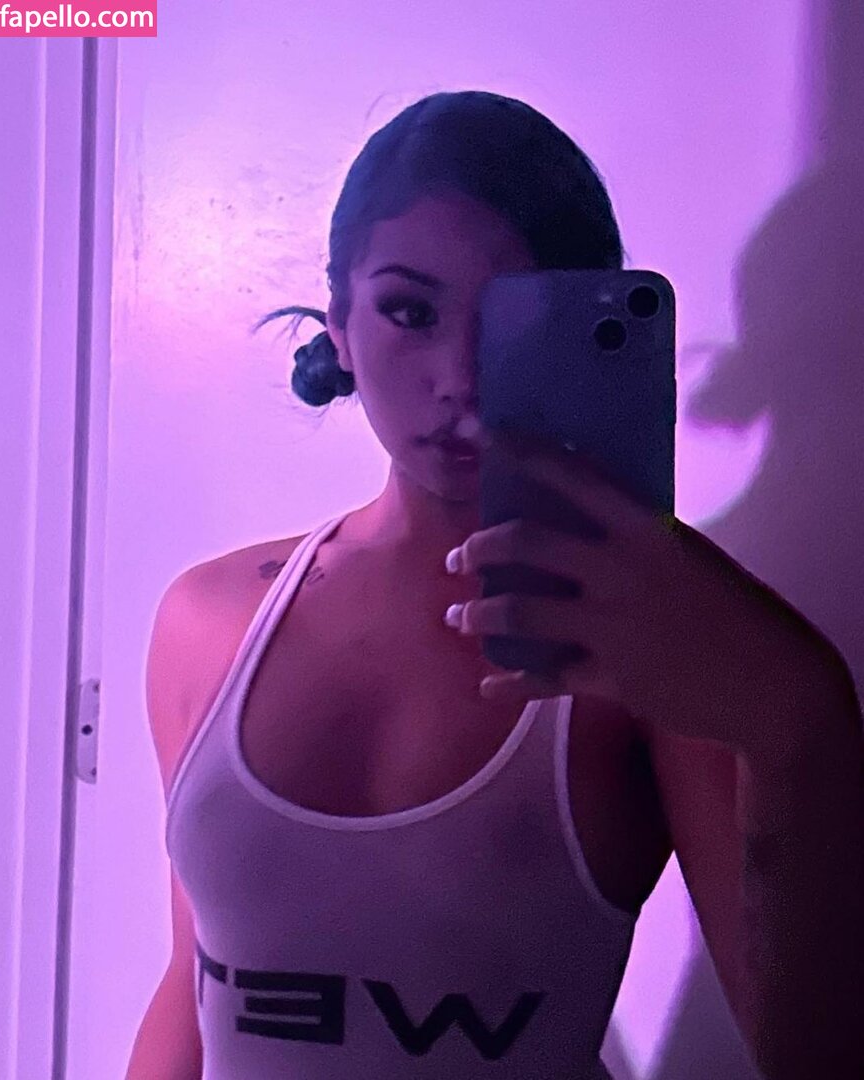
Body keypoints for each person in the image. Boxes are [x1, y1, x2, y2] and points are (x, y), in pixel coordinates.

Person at [138, 90, 677, 1080]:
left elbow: (807, 1043)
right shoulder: (207, 621)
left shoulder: (642, 647)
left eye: (512, 322)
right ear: (339, 323)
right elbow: (194, 985)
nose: (459, 379)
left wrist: (792, 706)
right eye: (409, 312)